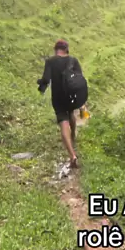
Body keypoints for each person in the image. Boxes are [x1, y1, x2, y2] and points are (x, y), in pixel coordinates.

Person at [37, 40, 86, 168]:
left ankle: (72, 155)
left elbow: (46, 79)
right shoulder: (73, 60)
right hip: (70, 96)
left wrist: (40, 86)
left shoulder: (50, 61)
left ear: (55, 49)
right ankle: (73, 135)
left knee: (63, 123)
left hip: (58, 97)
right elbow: (80, 78)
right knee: (71, 113)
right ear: (66, 49)